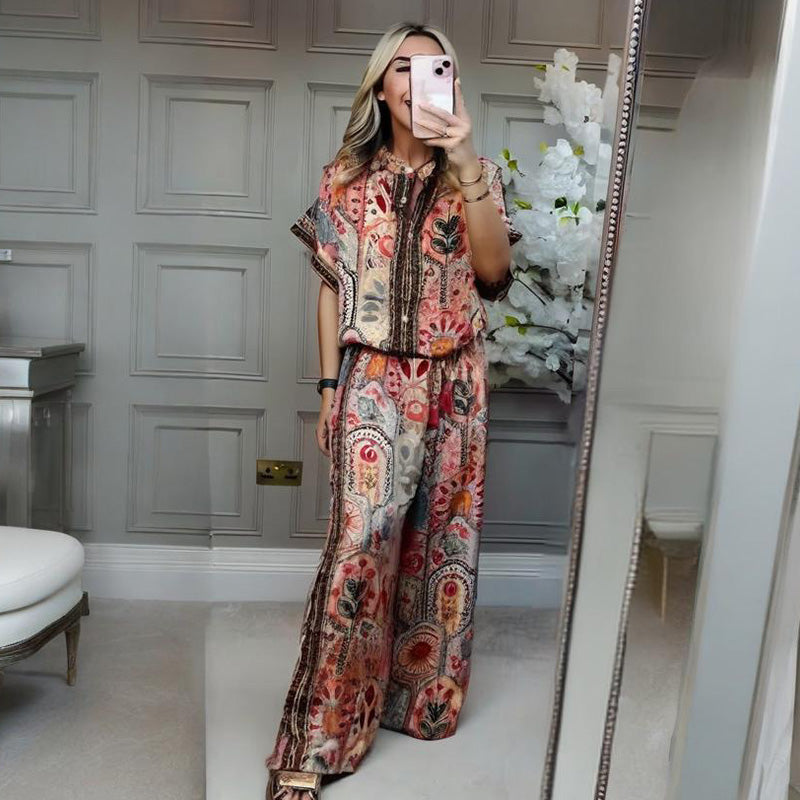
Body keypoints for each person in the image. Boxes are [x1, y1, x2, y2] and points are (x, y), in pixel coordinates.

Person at [265, 20, 522, 800]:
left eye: (434, 68)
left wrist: (466, 161)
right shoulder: (344, 179)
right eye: (403, 69)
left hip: (457, 383)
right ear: (381, 86)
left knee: (442, 546)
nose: (417, 82)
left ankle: (415, 702)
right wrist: (328, 388)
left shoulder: (476, 175)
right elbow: (331, 288)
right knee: (360, 550)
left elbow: (494, 275)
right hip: (374, 378)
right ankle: (319, 739)